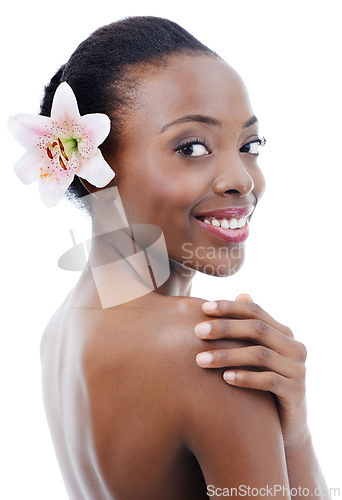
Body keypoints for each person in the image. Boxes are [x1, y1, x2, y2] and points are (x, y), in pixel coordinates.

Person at [25, 16, 329, 499]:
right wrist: (298, 439)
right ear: (93, 171)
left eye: (250, 145)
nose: (241, 179)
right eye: (192, 147)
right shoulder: (208, 352)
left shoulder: (60, 333)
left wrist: (294, 430)